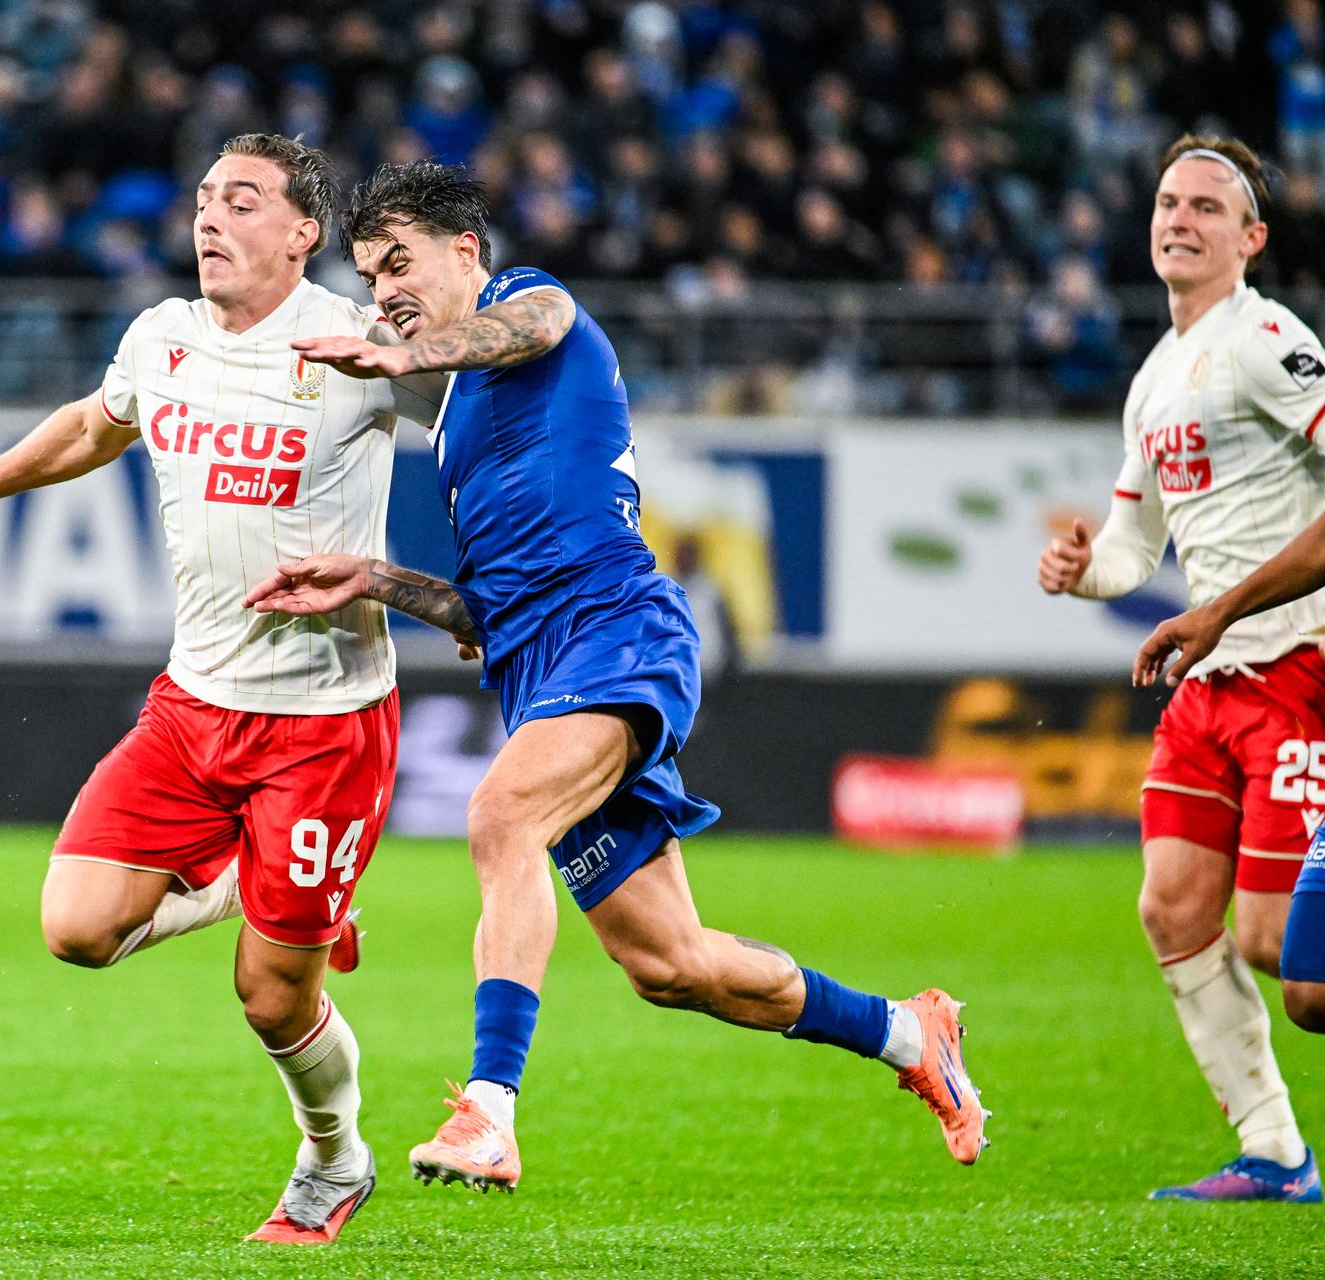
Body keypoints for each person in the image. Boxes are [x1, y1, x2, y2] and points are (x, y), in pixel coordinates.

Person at [248, 160, 986, 1194]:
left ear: (465, 253)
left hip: (619, 631)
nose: (384, 291)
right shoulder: (459, 420)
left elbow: (530, 330)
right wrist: (375, 578)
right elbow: (487, 610)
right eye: (370, 276)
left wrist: (391, 355)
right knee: (670, 963)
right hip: (540, 658)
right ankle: (912, 1034)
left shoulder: (533, 305)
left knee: (501, 816)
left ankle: (489, 1111)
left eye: (398, 263)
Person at [0, 134, 441, 1244]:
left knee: (271, 995)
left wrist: (473, 592)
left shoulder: (355, 343)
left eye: (241, 200)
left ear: (301, 233)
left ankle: (333, 1162)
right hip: (191, 705)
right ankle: (252, 881)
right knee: (76, 927)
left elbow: (485, 430)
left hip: (327, 722)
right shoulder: (163, 337)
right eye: (202, 199)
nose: (209, 218)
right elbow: (99, 422)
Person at [1038, 134, 1323, 1203]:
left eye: (1207, 206)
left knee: (1289, 963)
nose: (1179, 218)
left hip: (1298, 668)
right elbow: (1131, 548)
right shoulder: (1156, 379)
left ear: (1249, 238)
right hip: (1212, 683)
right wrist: (1081, 570)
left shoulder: (1267, 341)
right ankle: (1277, 1151)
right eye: (1167, 201)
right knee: (1172, 907)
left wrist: (1219, 609)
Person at [1136, 504, 1325, 1048]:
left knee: (1286, 948)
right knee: (1305, 982)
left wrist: (1222, 612)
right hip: (1237, 680)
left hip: (1289, 682)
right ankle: (1272, 1135)